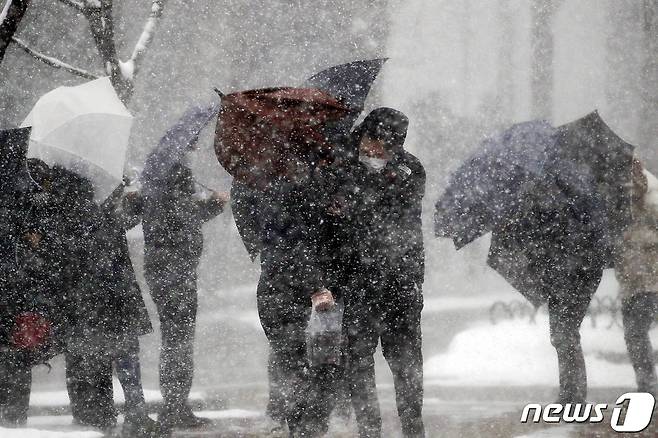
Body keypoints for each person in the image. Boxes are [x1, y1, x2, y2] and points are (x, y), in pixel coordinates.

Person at [343, 108, 426, 438]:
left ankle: (413, 427)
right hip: (356, 283)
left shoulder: (410, 170)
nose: (374, 150)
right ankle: (369, 430)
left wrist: (415, 279)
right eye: (370, 140)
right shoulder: (341, 167)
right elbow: (337, 225)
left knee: (406, 364)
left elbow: (404, 222)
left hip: (400, 282)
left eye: (384, 145)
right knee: (358, 363)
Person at [142, 146, 228, 432]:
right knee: (178, 341)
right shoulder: (173, 201)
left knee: (175, 340)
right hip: (174, 279)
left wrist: (213, 205)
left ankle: (176, 404)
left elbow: (188, 218)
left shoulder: (161, 198)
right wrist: (213, 204)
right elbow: (186, 222)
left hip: (169, 276)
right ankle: (175, 406)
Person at [615, 159, 658, 396]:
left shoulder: (653, 215)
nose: (629, 192)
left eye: (633, 188)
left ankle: (648, 385)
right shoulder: (619, 220)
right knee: (633, 337)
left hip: (651, 285)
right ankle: (646, 384)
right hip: (629, 287)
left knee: (637, 333)